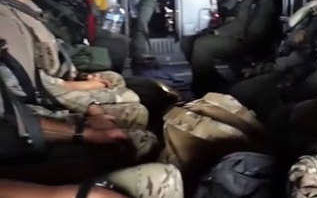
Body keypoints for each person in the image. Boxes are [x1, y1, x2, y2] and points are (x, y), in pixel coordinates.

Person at [0, 0, 156, 159]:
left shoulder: (25, 12)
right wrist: (90, 102)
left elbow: (47, 66)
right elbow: (35, 90)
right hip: (42, 109)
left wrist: (81, 76)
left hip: (50, 92)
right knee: (135, 111)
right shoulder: (7, 22)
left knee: (114, 78)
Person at [0, 48, 182, 197]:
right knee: (161, 179)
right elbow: (40, 88)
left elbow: (16, 119)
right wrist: (59, 194)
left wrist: (86, 133)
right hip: (16, 166)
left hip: (24, 149)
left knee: (136, 144)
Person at [181, 0, 277, 97]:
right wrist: (212, 29)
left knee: (202, 45)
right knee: (186, 42)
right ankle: (213, 80)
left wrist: (217, 32)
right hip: (232, 36)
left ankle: (203, 90)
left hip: (245, 41)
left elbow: (247, 27)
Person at [34, 0, 129, 73]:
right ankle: (114, 77)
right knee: (119, 45)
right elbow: (90, 17)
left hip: (67, 36)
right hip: (75, 38)